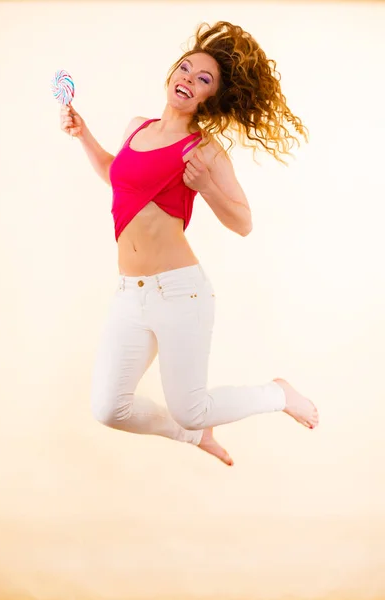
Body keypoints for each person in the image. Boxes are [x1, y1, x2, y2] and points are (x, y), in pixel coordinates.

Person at [60, 21, 319, 467]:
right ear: (171, 75)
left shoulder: (203, 149)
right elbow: (117, 179)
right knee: (108, 408)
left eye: (204, 80)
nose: (189, 79)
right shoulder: (137, 127)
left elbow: (244, 222)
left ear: (208, 99)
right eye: (185, 69)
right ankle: (193, 435)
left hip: (180, 293)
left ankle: (278, 394)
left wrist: (207, 187)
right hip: (129, 295)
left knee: (191, 404)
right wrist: (83, 134)